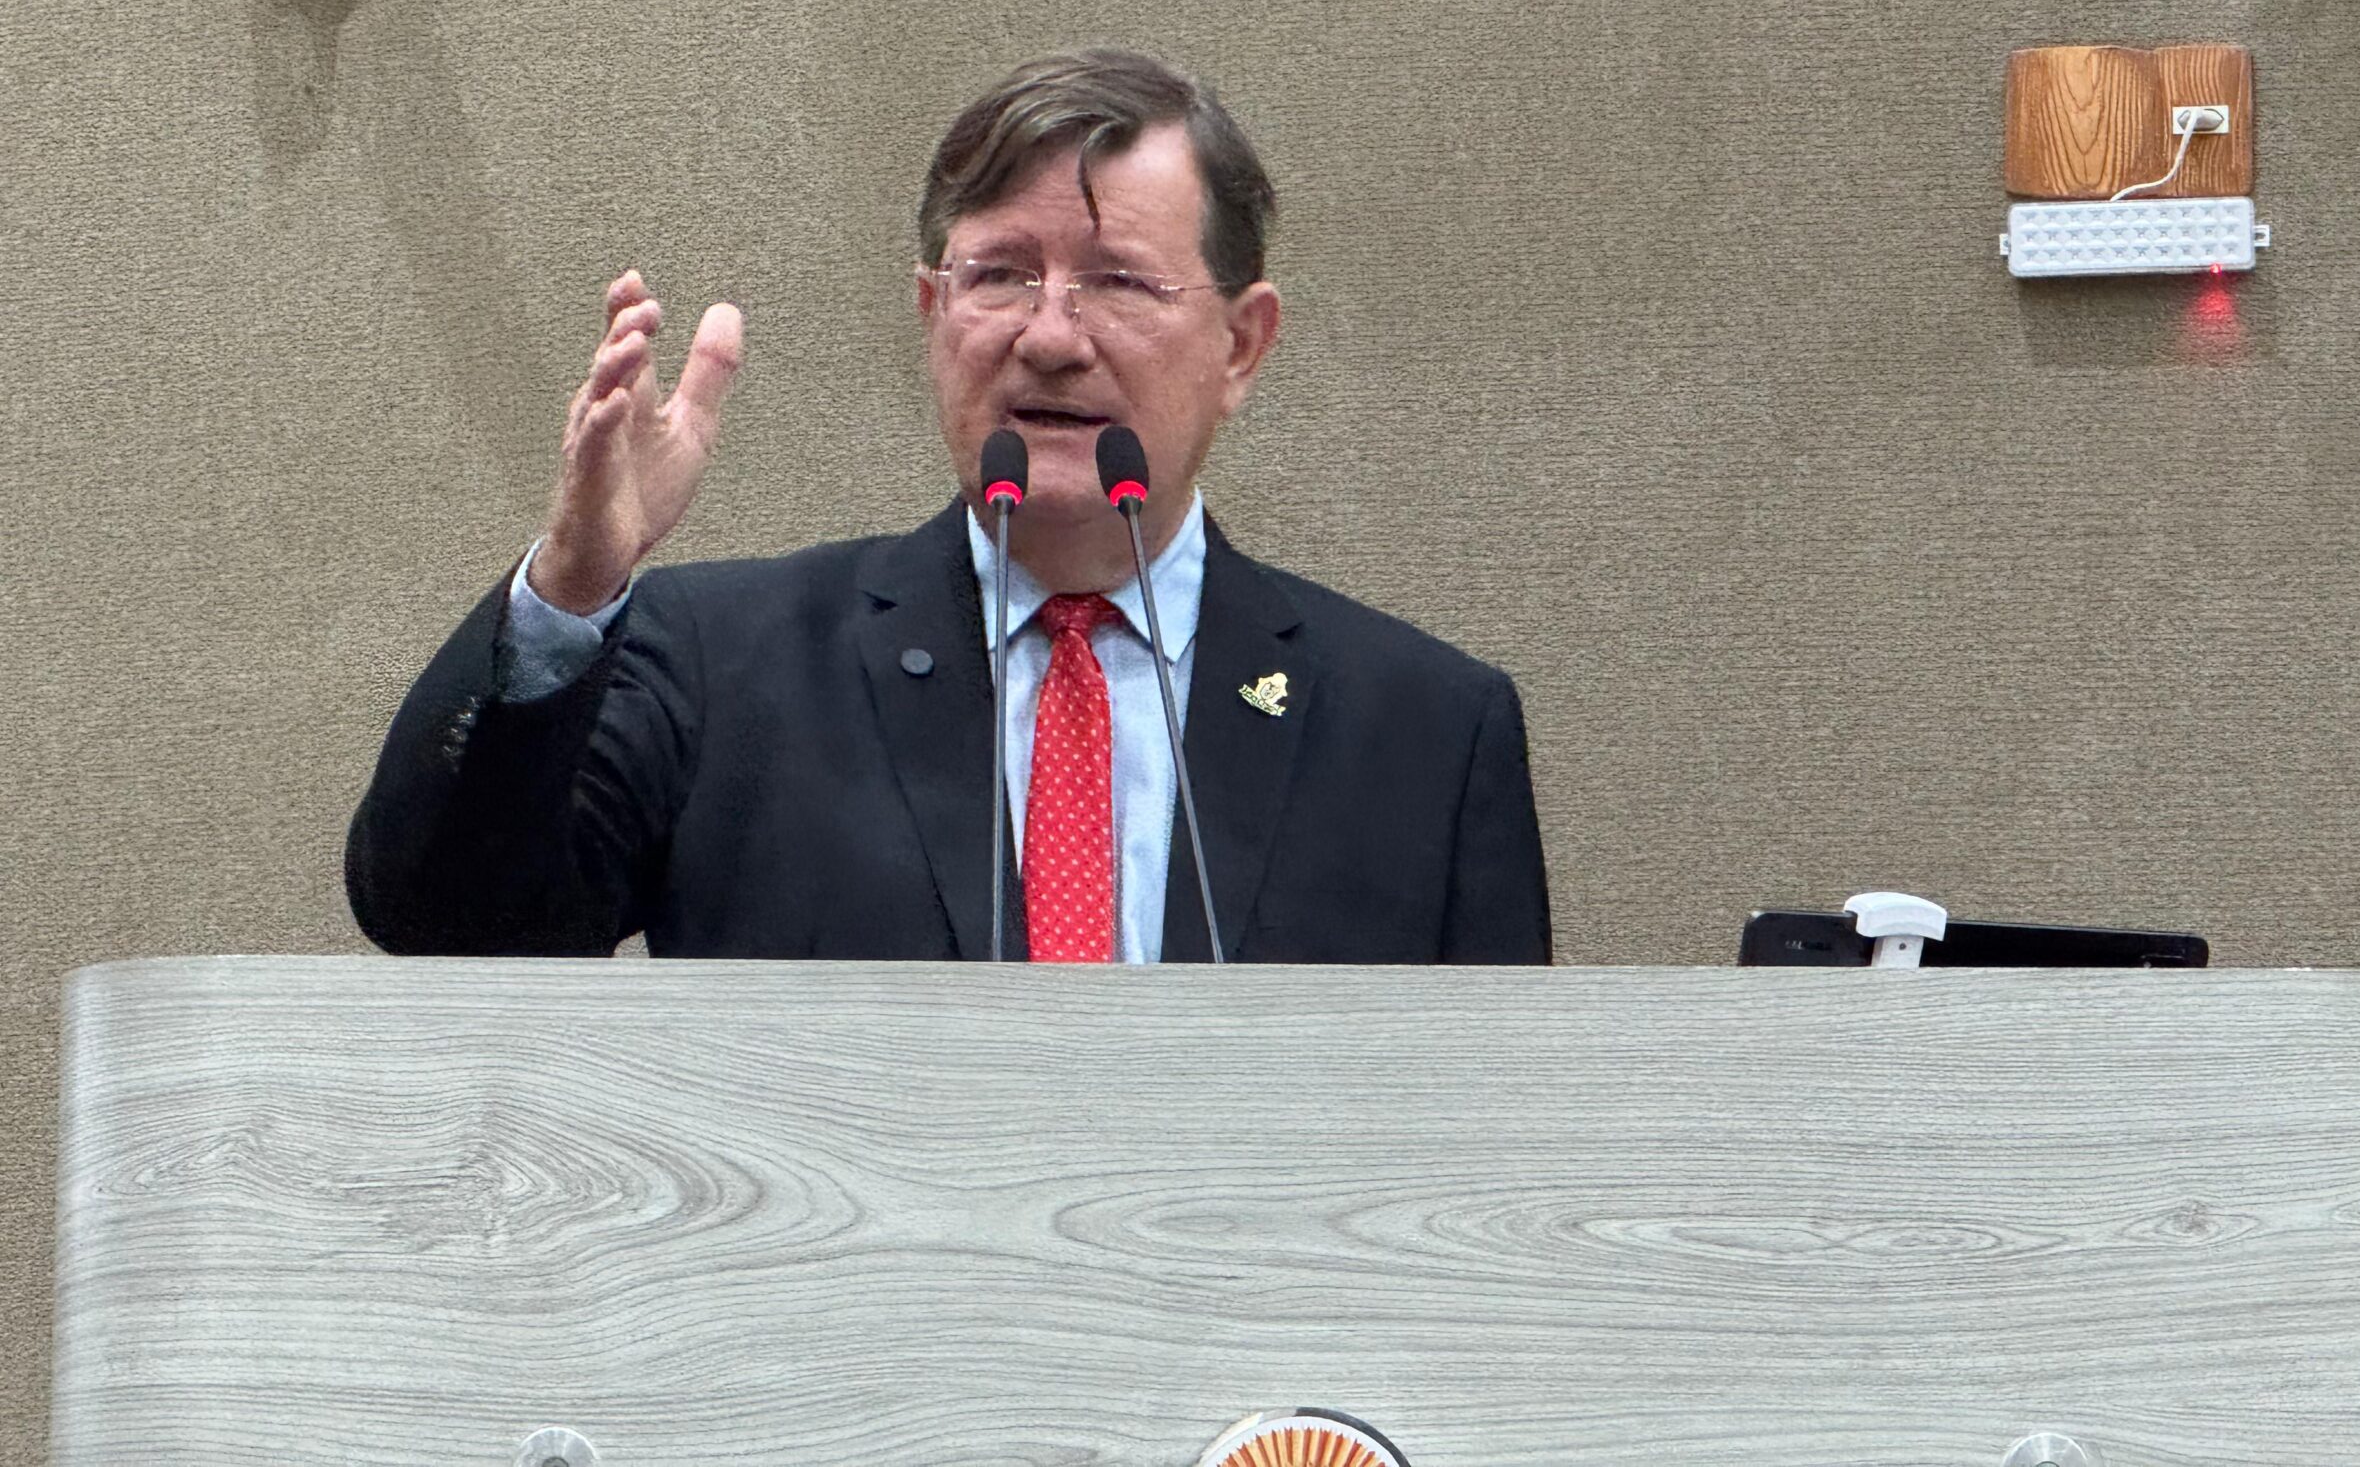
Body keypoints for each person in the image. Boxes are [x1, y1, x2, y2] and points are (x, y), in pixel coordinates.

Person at [346, 49, 1550, 964]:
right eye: (1001, 276)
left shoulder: (1426, 733)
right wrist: (573, 586)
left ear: (1241, 344)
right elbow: (448, 924)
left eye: (1118, 282)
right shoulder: (724, 666)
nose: (1050, 336)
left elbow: (1500, 1136)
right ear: (933, 315)